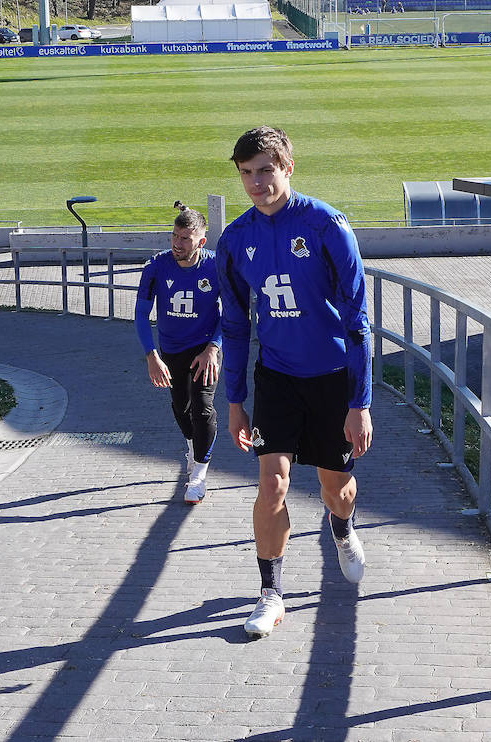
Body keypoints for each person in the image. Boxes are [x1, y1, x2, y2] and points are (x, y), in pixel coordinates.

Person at [215, 126, 373, 639]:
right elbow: (236, 326)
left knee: (336, 491)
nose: (256, 183)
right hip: (277, 378)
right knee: (272, 483)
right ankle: (271, 593)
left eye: (265, 170)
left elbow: (358, 321)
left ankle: (343, 529)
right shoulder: (236, 240)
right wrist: (235, 400)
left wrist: (360, 402)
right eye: (246, 173)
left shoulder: (327, 226)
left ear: (287, 168)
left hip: (331, 380)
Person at [135, 205, 222, 504]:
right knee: (180, 407)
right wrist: (151, 355)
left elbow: (234, 313)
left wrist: (214, 347)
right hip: (170, 350)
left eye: (185, 238)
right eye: (174, 235)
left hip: (205, 349)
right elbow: (140, 314)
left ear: (201, 241)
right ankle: (192, 444)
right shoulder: (156, 267)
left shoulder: (216, 267)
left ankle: (198, 474)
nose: (177, 243)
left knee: (202, 406)